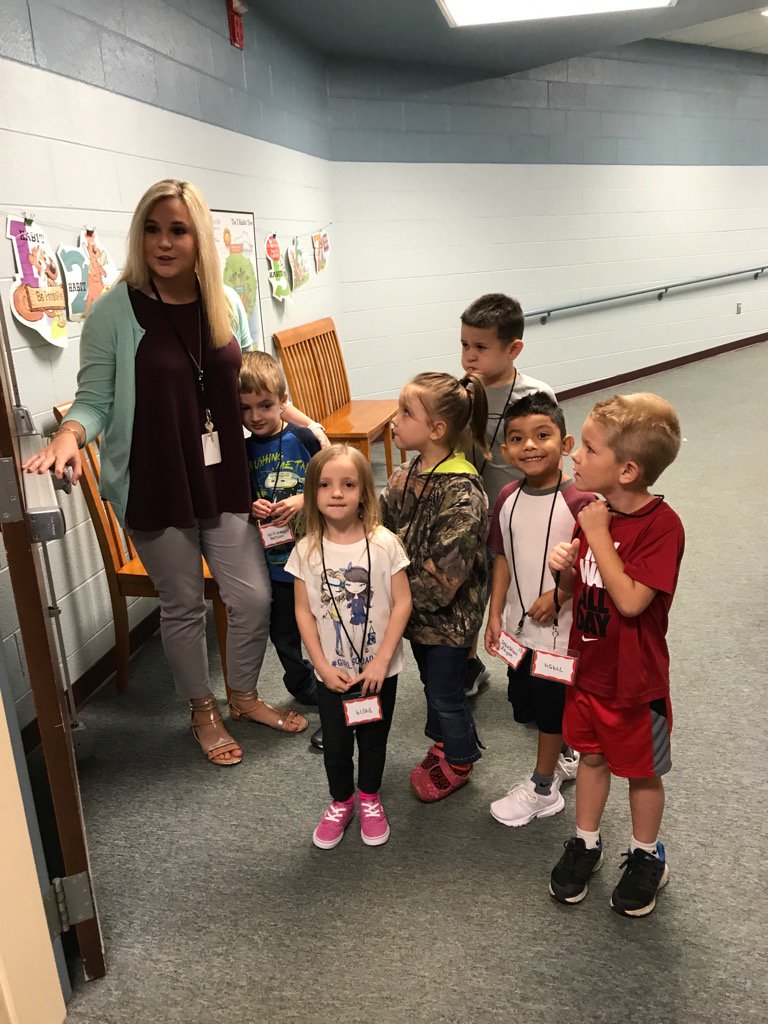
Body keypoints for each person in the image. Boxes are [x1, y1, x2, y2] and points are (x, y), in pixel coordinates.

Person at [23, 178, 311, 765]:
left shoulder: (223, 302)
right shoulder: (113, 312)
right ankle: (202, 710)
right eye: (152, 229)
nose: (163, 242)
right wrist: (69, 436)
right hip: (155, 480)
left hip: (224, 475)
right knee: (183, 606)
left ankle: (243, 696)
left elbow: (249, 378)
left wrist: (305, 427)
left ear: (198, 236)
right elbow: (94, 399)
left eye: (178, 230)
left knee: (253, 597)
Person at [546, 393, 684, 917]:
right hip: (588, 672)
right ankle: (586, 842)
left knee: (643, 771)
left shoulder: (660, 526)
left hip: (636, 683)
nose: (575, 455)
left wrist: (596, 534)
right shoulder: (593, 514)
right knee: (590, 756)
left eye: (589, 447)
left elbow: (629, 601)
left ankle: (648, 855)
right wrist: (565, 567)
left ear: (627, 470)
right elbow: (576, 590)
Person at [287, 446, 411, 849]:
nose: (336, 493)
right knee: (337, 746)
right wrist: (321, 667)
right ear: (312, 493)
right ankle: (341, 800)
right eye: (325, 485)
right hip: (333, 674)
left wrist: (382, 661)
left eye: (348, 484)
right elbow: (303, 612)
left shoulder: (384, 544)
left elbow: (402, 603)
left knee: (374, 741)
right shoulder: (306, 549)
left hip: (379, 671)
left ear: (364, 493)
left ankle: (369, 796)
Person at [484, 393, 597, 827]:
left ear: (565, 445)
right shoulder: (507, 497)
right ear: (504, 450)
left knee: (550, 709)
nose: (529, 446)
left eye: (542, 435)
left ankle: (543, 788)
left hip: (561, 638)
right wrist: (495, 614)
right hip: (518, 633)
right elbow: (502, 558)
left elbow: (594, 567)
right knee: (525, 705)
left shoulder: (583, 503)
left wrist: (559, 596)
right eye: (517, 439)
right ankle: (566, 753)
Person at [381, 372, 489, 802]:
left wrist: (395, 600)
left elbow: (445, 577)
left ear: (437, 429)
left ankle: (460, 759)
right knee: (432, 684)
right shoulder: (405, 474)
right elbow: (380, 527)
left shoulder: (463, 490)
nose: (394, 419)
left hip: (449, 620)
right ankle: (443, 743)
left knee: (446, 693)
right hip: (416, 614)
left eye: (406, 412)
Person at [459, 294, 556, 697]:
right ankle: (468, 666)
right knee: (468, 595)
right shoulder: (460, 393)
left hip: (518, 518)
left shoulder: (535, 395)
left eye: (481, 347)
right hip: (469, 516)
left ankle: (539, 672)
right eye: (464, 345)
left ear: (513, 349)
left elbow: (549, 458)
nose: (469, 356)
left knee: (521, 591)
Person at [240, 351, 328, 748]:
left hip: (314, 558)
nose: (256, 416)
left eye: (265, 405)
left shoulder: (303, 439)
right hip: (275, 563)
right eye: (245, 409)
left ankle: (332, 686)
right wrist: (251, 506)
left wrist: (302, 499)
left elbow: (334, 484)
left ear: (283, 402)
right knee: (284, 633)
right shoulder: (243, 451)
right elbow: (241, 496)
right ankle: (301, 682)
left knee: (323, 628)